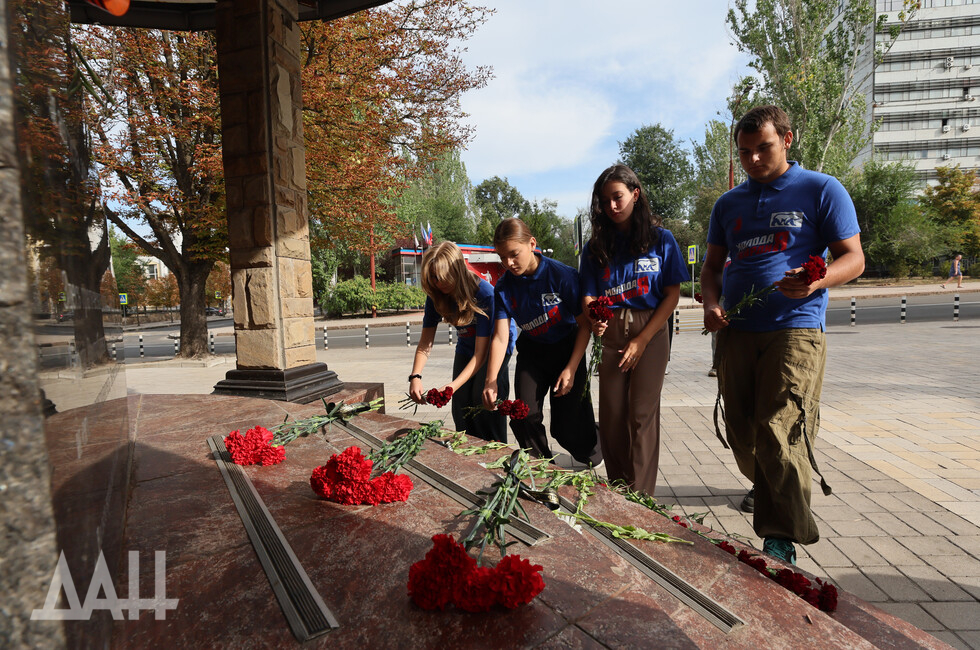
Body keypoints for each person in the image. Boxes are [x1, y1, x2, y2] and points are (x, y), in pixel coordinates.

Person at [700, 105, 865, 565]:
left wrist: (816, 280)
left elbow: (853, 258)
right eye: (745, 152)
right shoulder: (728, 204)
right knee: (743, 432)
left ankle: (781, 538)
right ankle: (766, 485)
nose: (753, 159)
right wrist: (711, 303)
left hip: (795, 330)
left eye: (763, 148)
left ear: (787, 140)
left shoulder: (821, 189)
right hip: (735, 331)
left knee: (781, 431)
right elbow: (712, 268)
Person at [580, 164, 688, 495]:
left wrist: (642, 339)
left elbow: (671, 294)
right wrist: (593, 314)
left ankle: (642, 498)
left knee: (641, 415)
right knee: (612, 417)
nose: (612, 206)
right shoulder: (595, 246)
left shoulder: (661, 240)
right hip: (610, 334)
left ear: (635, 195)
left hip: (650, 331)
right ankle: (619, 488)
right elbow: (587, 293)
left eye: (618, 197)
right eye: (605, 200)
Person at [482, 218, 602, 466]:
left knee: (566, 429)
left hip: (568, 351)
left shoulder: (562, 276)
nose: (508, 263)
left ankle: (596, 443)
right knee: (522, 415)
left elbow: (585, 325)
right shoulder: (503, 287)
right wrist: (491, 379)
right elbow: (501, 335)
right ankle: (542, 467)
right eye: (501, 257)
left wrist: (570, 368)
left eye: (514, 254)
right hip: (533, 355)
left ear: (532, 244)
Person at [409, 241, 516, 442]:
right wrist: (415, 376)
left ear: (457, 271)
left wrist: (451, 386)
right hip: (467, 347)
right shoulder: (436, 295)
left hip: (496, 346)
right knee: (460, 405)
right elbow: (425, 343)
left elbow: (481, 354)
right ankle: (468, 451)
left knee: (482, 400)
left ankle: (496, 450)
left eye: (442, 277)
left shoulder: (484, 295)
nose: (437, 283)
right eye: (432, 278)